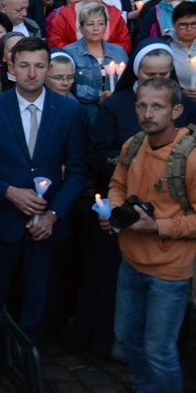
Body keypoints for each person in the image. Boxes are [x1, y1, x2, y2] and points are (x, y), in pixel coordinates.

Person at [0, 37, 86, 392]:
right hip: (3, 222)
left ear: (49, 69)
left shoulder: (69, 111)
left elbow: (79, 172)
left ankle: (29, 364)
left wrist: (53, 214)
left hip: (45, 227)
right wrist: (9, 192)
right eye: (24, 65)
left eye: (39, 65)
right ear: (10, 68)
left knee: (38, 298)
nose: (32, 73)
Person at [100, 76, 196, 392]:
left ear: (177, 110)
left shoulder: (191, 157)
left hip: (170, 273)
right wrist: (116, 215)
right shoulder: (134, 144)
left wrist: (157, 226)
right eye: (142, 105)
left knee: (160, 351)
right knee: (127, 339)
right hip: (131, 263)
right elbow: (117, 185)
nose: (147, 113)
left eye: (157, 106)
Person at [64, 2, 129, 122]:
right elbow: (67, 85)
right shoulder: (70, 52)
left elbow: (128, 82)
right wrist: (97, 95)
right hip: (84, 114)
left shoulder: (118, 52)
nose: (96, 29)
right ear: (81, 28)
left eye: (100, 24)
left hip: (114, 114)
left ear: (106, 27)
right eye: (90, 24)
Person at [49, 0, 131, 53]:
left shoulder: (114, 14)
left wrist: (104, 51)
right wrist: (75, 52)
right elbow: (55, 42)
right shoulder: (65, 14)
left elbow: (125, 43)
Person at [167, 2, 196, 95]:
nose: (189, 29)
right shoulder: (165, 46)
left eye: (194, 24)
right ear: (173, 24)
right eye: (183, 25)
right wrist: (180, 92)